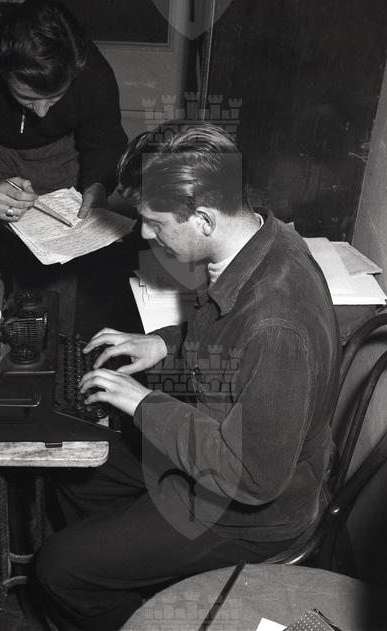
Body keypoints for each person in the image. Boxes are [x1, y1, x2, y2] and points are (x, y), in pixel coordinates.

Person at [34, 123, 340, 630]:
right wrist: (164, 343)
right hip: (216, 444)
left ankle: (138, 606)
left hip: (247, 513)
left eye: (154, 222)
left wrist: (143, 404)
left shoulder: (276, 327)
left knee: (59, 568)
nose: (143, 233)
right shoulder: (263, 240)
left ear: (203, 219)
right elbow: (226, 327)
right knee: (78, 465)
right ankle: (132, 573)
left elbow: (253, 479)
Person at [0, 0, 127, 223]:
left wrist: (98, 185)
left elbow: (106, 145)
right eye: (29, 98)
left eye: (55, 97)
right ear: (2, 72)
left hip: (58, 155)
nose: (41, 113)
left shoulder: (94, 74)